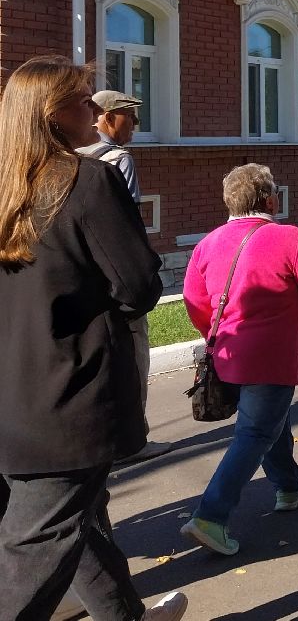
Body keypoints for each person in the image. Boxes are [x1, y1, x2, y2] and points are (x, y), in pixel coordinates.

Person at [0, 56, 187, 621]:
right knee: (36, 548)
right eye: (84, 101)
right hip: (66, 398)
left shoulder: (9, 183)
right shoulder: (86, 179)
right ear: (53, 113)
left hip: (13, 391)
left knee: (78, 518)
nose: (96, 111)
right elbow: (136, 285)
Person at [180, 163, 298, 556]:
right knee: (255, 433)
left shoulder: (207, 243)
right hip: (270, 358)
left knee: (270, 422)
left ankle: (289, 487)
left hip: (225, 354)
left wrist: (212, 332)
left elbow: (195, 300)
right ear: (270, 199)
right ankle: (211, 516)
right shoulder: (288, 238)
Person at [78, 89, 171, 464]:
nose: (134, 126)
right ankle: (135, 440)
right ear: (107, 117)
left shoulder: (68, 155)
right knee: (134, 355)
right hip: (118, 281)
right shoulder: (118, 160)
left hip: (81, 281)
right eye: (129, 117)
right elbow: (128, 227)